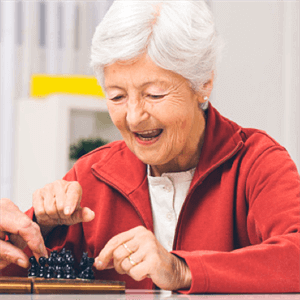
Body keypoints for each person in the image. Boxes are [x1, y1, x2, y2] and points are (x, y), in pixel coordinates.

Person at [0, 0, 299, 294]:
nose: (134, 117)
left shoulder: (257, 161)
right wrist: (38, 229)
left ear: (203, 83)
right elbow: (15, 277)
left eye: (154, 94)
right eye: (117, 97)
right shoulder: (91, 176)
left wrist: (181, 269)